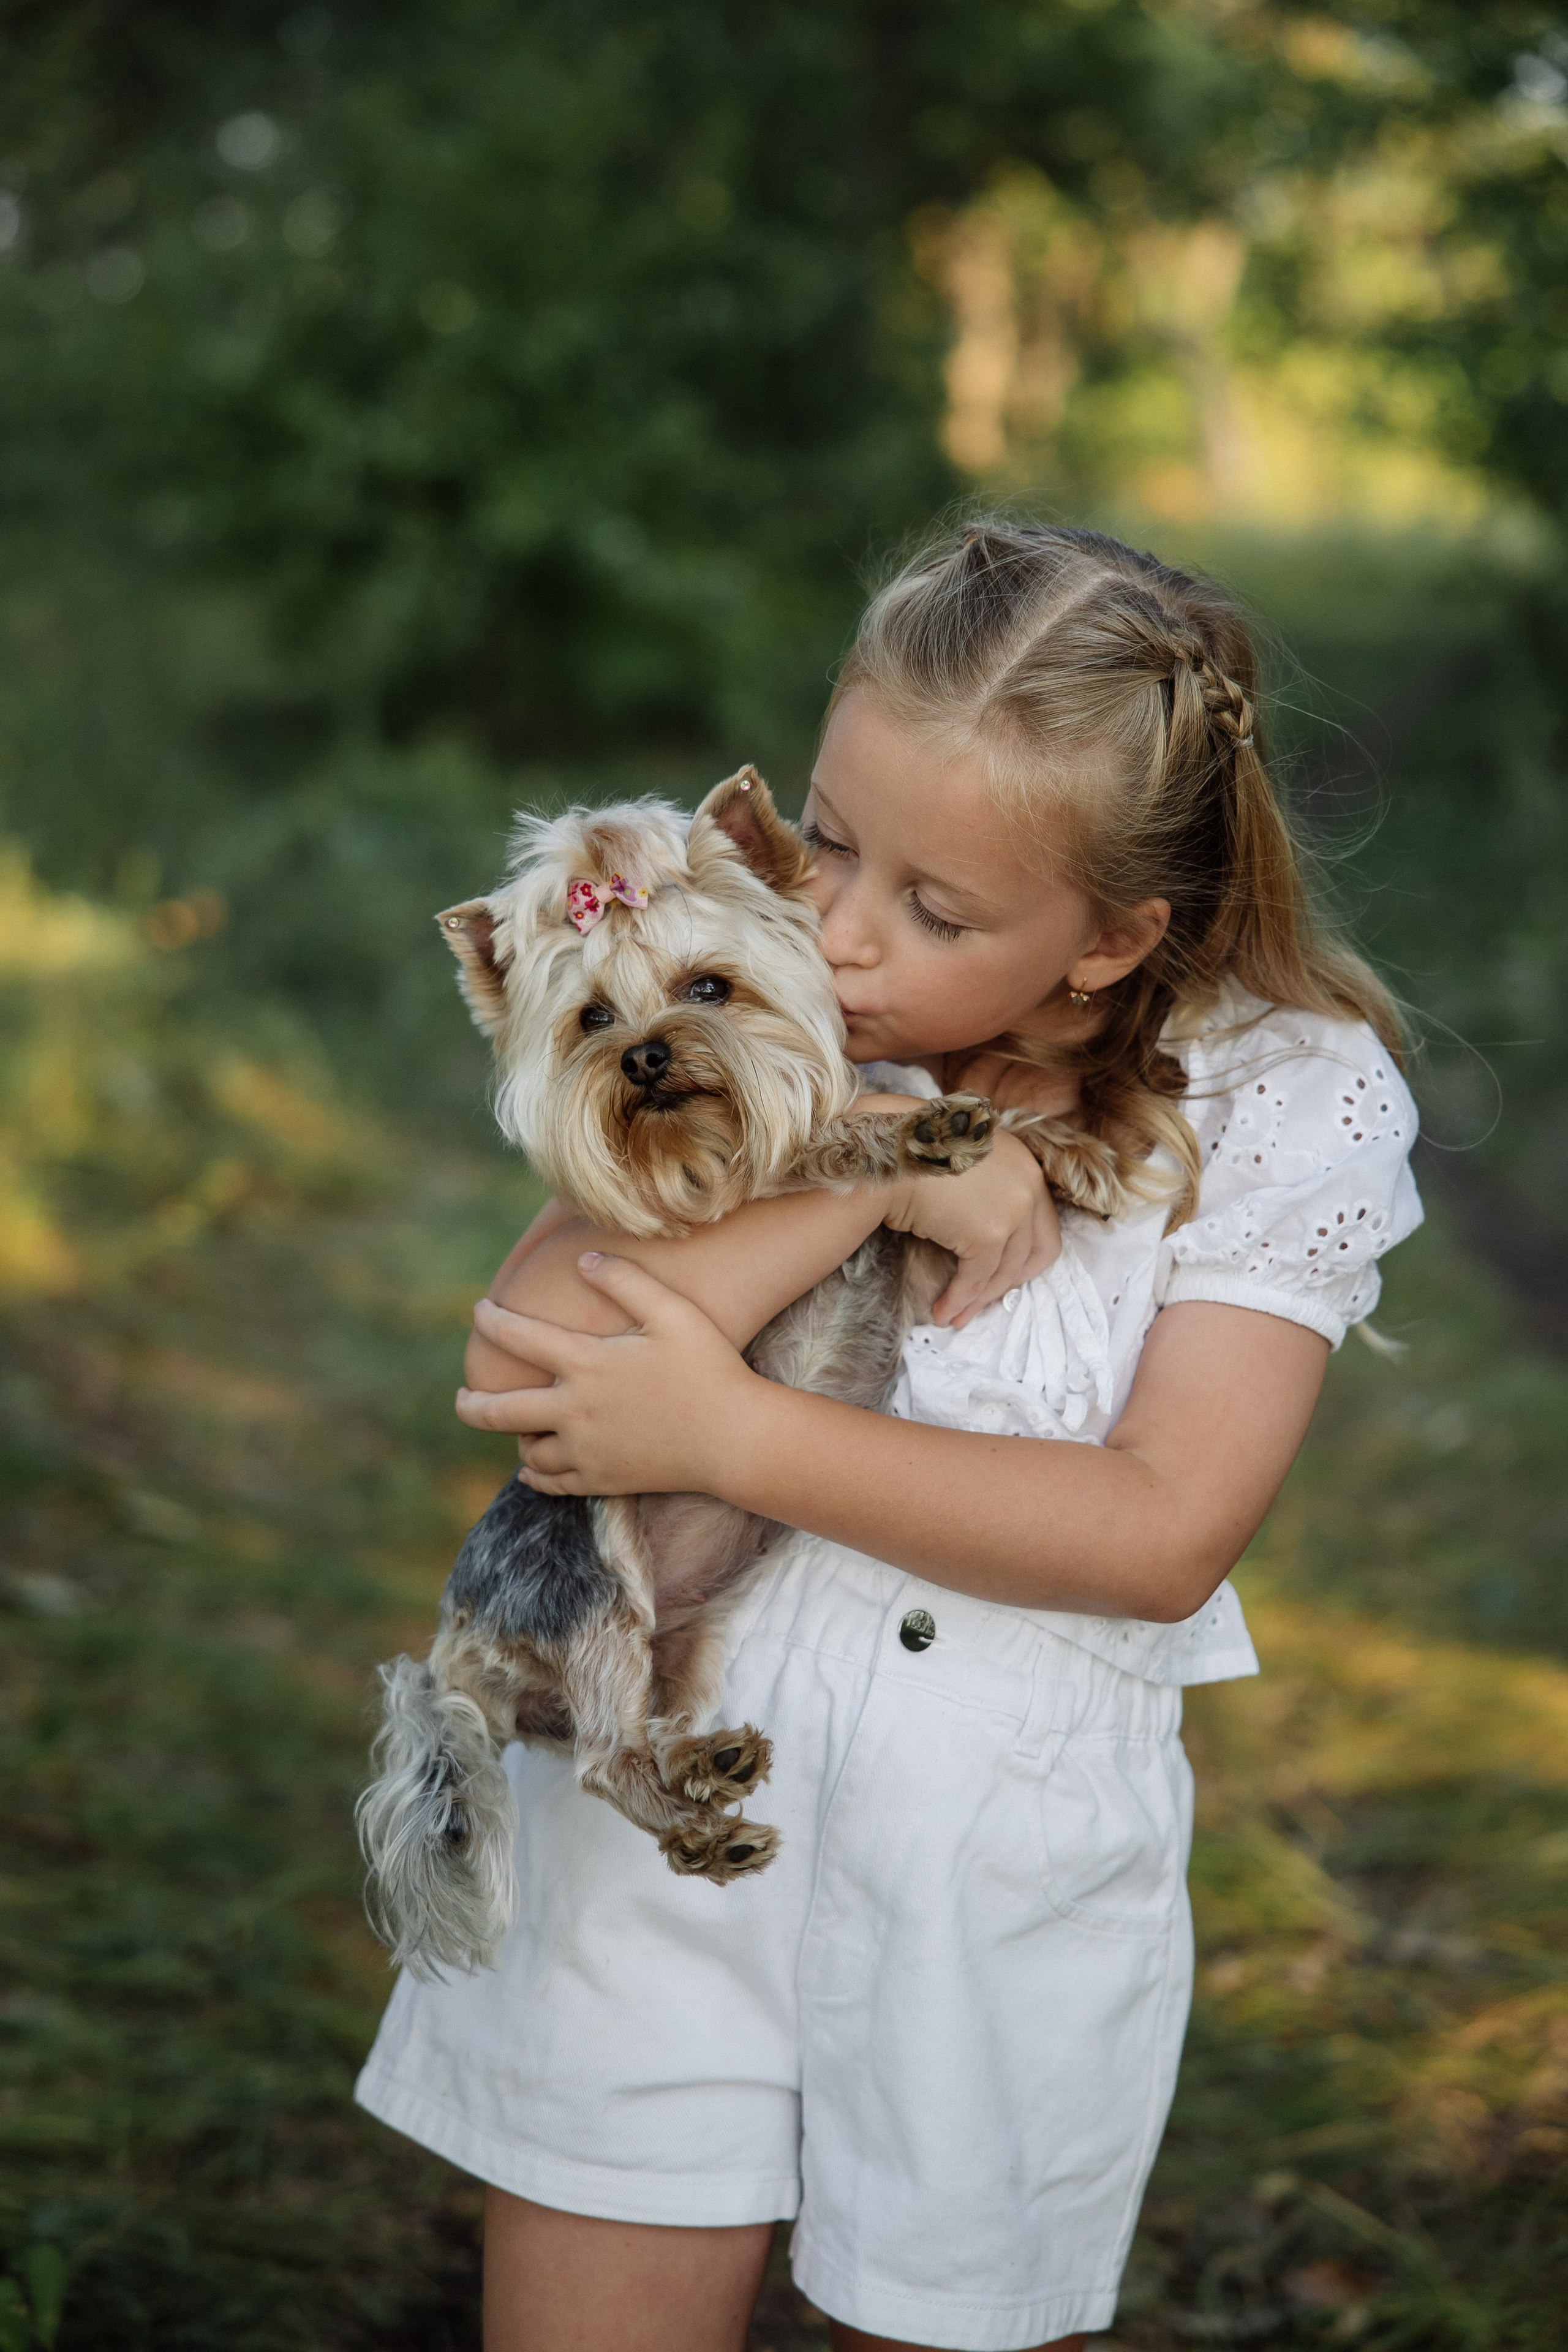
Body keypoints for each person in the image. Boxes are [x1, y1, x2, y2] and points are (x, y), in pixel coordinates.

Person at [355, 519, 1423, 2352]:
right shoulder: (759, 999)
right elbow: (538, 1344)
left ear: (1111, 941)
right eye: (833, 842)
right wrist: (895, 1178)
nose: (841, 931)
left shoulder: (1285, 1103)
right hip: (665, 1831)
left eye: (935, 910)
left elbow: (1165, 1527)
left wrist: (730, 1431)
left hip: (986, 1901)